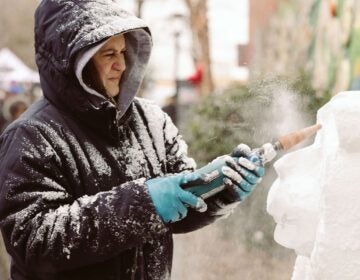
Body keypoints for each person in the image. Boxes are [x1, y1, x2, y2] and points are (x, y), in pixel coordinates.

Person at [0, 0, 265, 279]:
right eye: (107, 54)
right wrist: (143, 204)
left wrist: (221, 186)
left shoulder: (151, 120)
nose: (121, 65)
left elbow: (183, 201)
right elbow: (34, 242)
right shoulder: (32, 136)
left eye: (124, 51)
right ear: (73, 60)